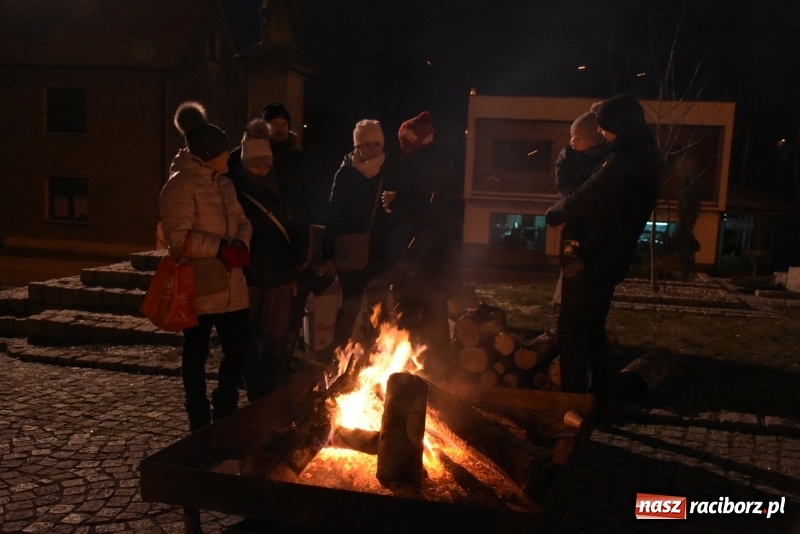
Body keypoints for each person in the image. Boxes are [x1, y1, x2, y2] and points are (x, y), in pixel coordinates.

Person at [545, 94, 661, 419]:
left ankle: (572, 409)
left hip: (594, 256)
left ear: (619, 128)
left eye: (606, 128)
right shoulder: (641, 154)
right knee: (593, 326)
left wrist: (555, 214)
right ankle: (600, 400)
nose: (604, 134)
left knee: (571, 329)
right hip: (610, 255)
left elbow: (590, 192)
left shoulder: (626, 160)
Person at [159, 101, 252, 432]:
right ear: (207, 153)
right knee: (196, 352)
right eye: (223, 152)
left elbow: (242, 220)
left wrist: (241, 243)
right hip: (200, 285)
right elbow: (178, 239)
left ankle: (224, 402)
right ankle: (197, 412)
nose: (229, 157)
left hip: (232, 285)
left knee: (239, 348)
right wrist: (221, 248)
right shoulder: (179, 186)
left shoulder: (224, 183)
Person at [227, 119, 304, 400]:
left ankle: (272, 386)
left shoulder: (280, 188)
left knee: (275, 336)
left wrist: (298, 260)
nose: (262, 170)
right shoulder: (234, 192)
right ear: (245, 165)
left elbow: (294, 225)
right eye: (256, 165)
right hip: (250, 274)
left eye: (266, 165)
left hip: (280, 274)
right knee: (249, 335)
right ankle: (254, 385)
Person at [384, 111, 457, 367]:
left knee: (422, 320)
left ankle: (425, 376)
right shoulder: (429, 162)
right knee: (428, 318)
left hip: (425, 260)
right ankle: (429, 373)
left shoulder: (427, 165)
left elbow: (428, 210)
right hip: (424, 259)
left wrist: (397, 203)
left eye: (405, 144)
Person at [321, 119, 397, 354]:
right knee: (350, 305)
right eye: (366, 145)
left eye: (377, 144)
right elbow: (333, 214)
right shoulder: (345, 174)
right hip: (351, 250)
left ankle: (377, 360)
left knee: (380, 308)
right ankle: (340, 358)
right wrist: (327, 253)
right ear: (357, 146)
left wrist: (397, 204)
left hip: (381, 252)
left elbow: (399, 216)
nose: (372, 149)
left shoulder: (391, 171)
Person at [260, 101, 315, 355]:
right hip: (262, 240)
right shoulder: (256, 156)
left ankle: (283, 356)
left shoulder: (296, 159)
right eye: (274, 123)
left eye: (284, 123)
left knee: (290, 306)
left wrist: (302, 246)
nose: (280, 128)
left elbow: (303, 204)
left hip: (289, 238)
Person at [552, 109, 606, 304]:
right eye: (572, 136)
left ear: (594, 140)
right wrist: (573, 201)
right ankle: (570, 263)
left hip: (593, 218)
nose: (573, 141)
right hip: (574, 206)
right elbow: (564, 184)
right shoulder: (568, 157)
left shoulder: (604, 160)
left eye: (579, 137)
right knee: (571, 242)